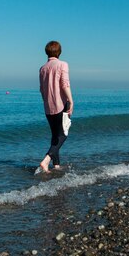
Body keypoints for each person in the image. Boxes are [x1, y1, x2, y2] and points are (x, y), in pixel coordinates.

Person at [39, 40, 74, 173]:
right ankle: (46, 160)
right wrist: (71, 101)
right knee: (63, 134)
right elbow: (65, 84)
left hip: (48, 106)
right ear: (59, 52)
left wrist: (45, 102)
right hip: (61, 104)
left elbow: (42, 89)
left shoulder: (42, 68)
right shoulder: (62, 64)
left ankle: (56, 165)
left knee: (55, 135)